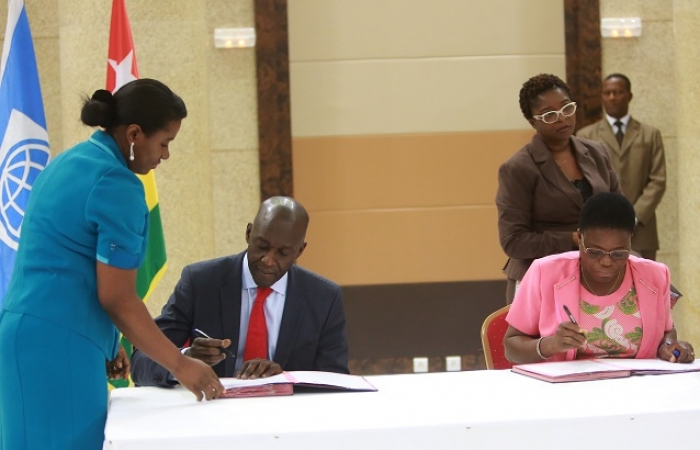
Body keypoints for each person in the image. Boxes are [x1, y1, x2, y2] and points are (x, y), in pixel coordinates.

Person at [0, 79, 224, 450]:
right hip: (56, 346)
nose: (165, 155)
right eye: (164, 143)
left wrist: (107, 340)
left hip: (28, 335)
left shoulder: (69, 162)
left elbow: (65, 264)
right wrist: (180, 364)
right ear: (134, 134)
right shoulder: (117, 184)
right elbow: (118, 298)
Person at [131, 196, 349, 386]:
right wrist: (183, 360)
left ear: (300, 251)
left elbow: (335, 380)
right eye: (262, 246)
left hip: (287, 420)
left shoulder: (324, 298)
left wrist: (283, 378)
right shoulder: (200, 282)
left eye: (283, 252)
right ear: (248, 233)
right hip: (210, 416)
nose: (268, 260)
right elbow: (141, 362)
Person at [504, 192, 694, 364]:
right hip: (567, 394)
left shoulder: (655, 275)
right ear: (580, 239)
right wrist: (551, 344)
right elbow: (511, 347)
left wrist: (669, 346)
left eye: (619, 253)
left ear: (630, 242)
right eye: (594, 252)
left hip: (636, 392)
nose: (606, 261)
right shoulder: (544, 273)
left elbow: (667, 330)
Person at [496, 73, 621, 304]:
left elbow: (618, 210)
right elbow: (513, 240)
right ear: (533, 122)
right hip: (539, 279)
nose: (562, 118)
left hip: (597, 272)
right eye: (550, 114)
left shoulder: (597, 152)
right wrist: (572, 239)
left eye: (566, 109)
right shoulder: (518, 168)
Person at [577, 73, 666, 260]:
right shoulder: (586, 136)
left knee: (644, 286)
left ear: (629, 96)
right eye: (607, 93)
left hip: (642, 228)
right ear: (601, 97)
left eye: (618, 92)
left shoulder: (650, 134)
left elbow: (658, 180)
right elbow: (583, 180)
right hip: (601, 229)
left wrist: (634, 215)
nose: (612, 97)